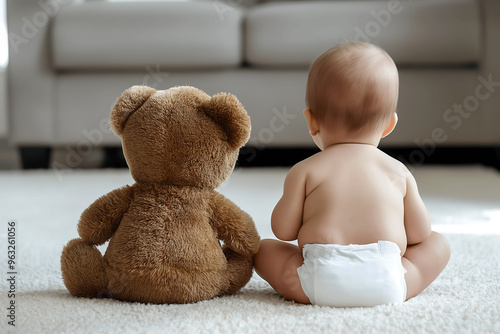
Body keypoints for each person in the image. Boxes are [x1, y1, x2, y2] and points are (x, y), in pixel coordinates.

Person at [254, 42, 451, 307]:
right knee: (438, 244)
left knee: (263, 248)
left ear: (311, 121)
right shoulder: (398, 172)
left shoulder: (305, 170)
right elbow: (419, 234)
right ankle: (400, 286)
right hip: (387, 281)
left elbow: (283, 230)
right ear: (389, 125)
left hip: (318, 282)